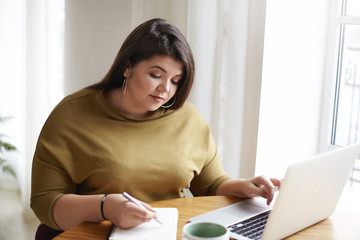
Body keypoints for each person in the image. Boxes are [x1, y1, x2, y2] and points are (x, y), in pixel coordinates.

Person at [30, 18, 281, 239]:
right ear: (128, 66)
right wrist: (105, 206)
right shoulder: (72, 115)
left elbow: (212, 183)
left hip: (169, 232)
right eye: (156, 75)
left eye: (175, 80)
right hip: (96, 233)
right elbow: (45, 202)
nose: (165, 90)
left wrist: (245, 186)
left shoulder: (186, 118)